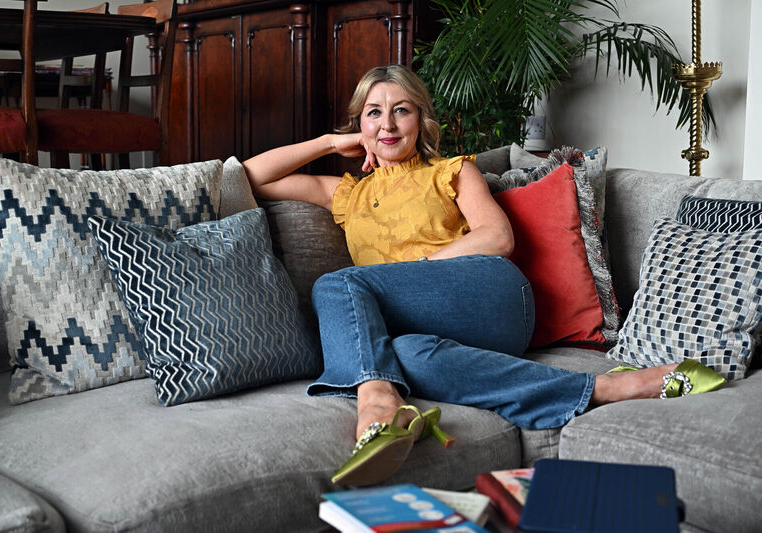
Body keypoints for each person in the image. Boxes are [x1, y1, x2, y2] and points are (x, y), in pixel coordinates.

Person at [241, 64, 724, 485]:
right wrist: (330, 141)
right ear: (359, 124)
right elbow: (249, 176)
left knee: (337, 283)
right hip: (420, 326)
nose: (387, 124)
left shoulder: (452, 171)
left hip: (490, 294)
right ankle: (603, 388)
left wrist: (413, 272)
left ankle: (375, 404)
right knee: (405, 354)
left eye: (401, 110)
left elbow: (498, 239)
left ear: (421, 119)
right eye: (373, 112)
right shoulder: (344, 194)